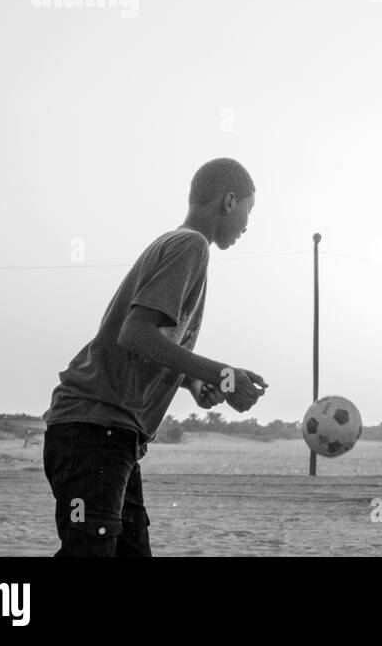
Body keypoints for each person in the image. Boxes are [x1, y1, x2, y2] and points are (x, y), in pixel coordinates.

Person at [42, 158, 268, 556]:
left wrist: (195, 381)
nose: (249, 224)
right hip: (94, 428)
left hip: (113, 436)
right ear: (229, 201)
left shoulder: (177, 243)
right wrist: (223, 371)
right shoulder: (191, 245)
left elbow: (149, 344)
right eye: (250, 209)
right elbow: (136, 333)